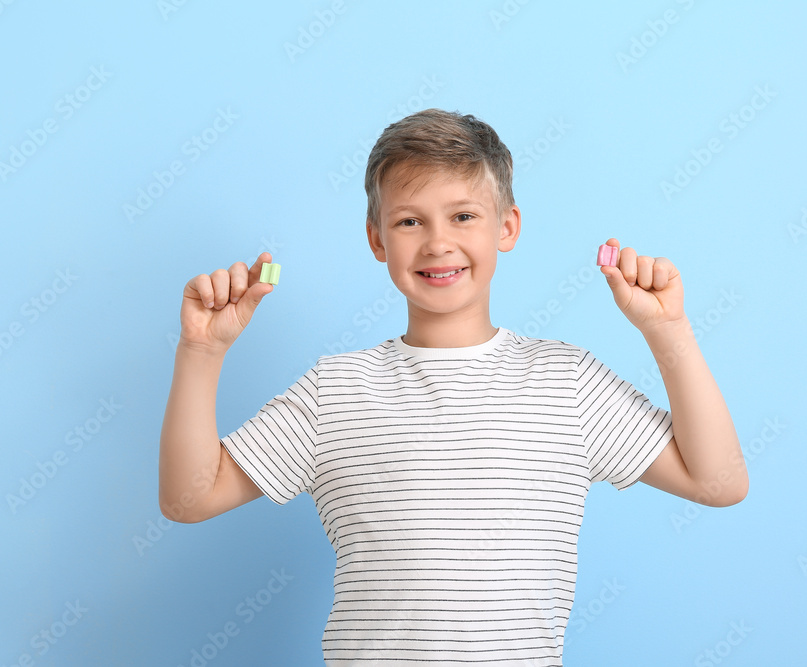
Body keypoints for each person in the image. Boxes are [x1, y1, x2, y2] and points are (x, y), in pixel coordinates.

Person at [159, 108, 748, 665]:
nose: (438, 242)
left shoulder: (569, 382)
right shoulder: (335, 391)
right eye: (410, 220)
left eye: (463, 215)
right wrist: (201, 351)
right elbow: (189, 499)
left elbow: (718, 482)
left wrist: (668, 331)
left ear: (507, 227)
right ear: (376, 240)